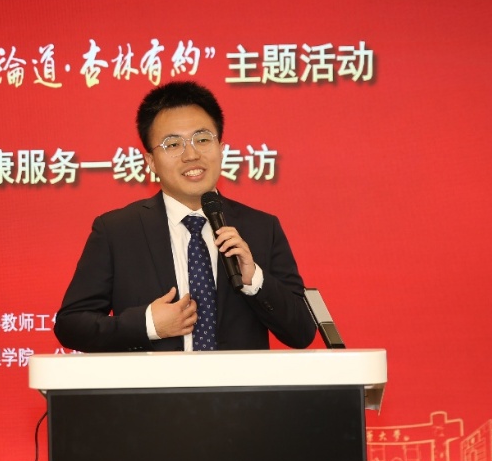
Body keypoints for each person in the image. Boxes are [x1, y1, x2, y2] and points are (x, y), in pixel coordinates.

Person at [54, 81, 317, 353]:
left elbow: (302, 332)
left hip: (240, 382)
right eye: (173, 144)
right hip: (154, 382)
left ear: (221, 147)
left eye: (202, 139)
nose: (191, 155)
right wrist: (148, 325)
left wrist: (255, 280)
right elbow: (71, 324)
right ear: (151, 162)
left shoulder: (261, 228)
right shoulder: (117, 232)